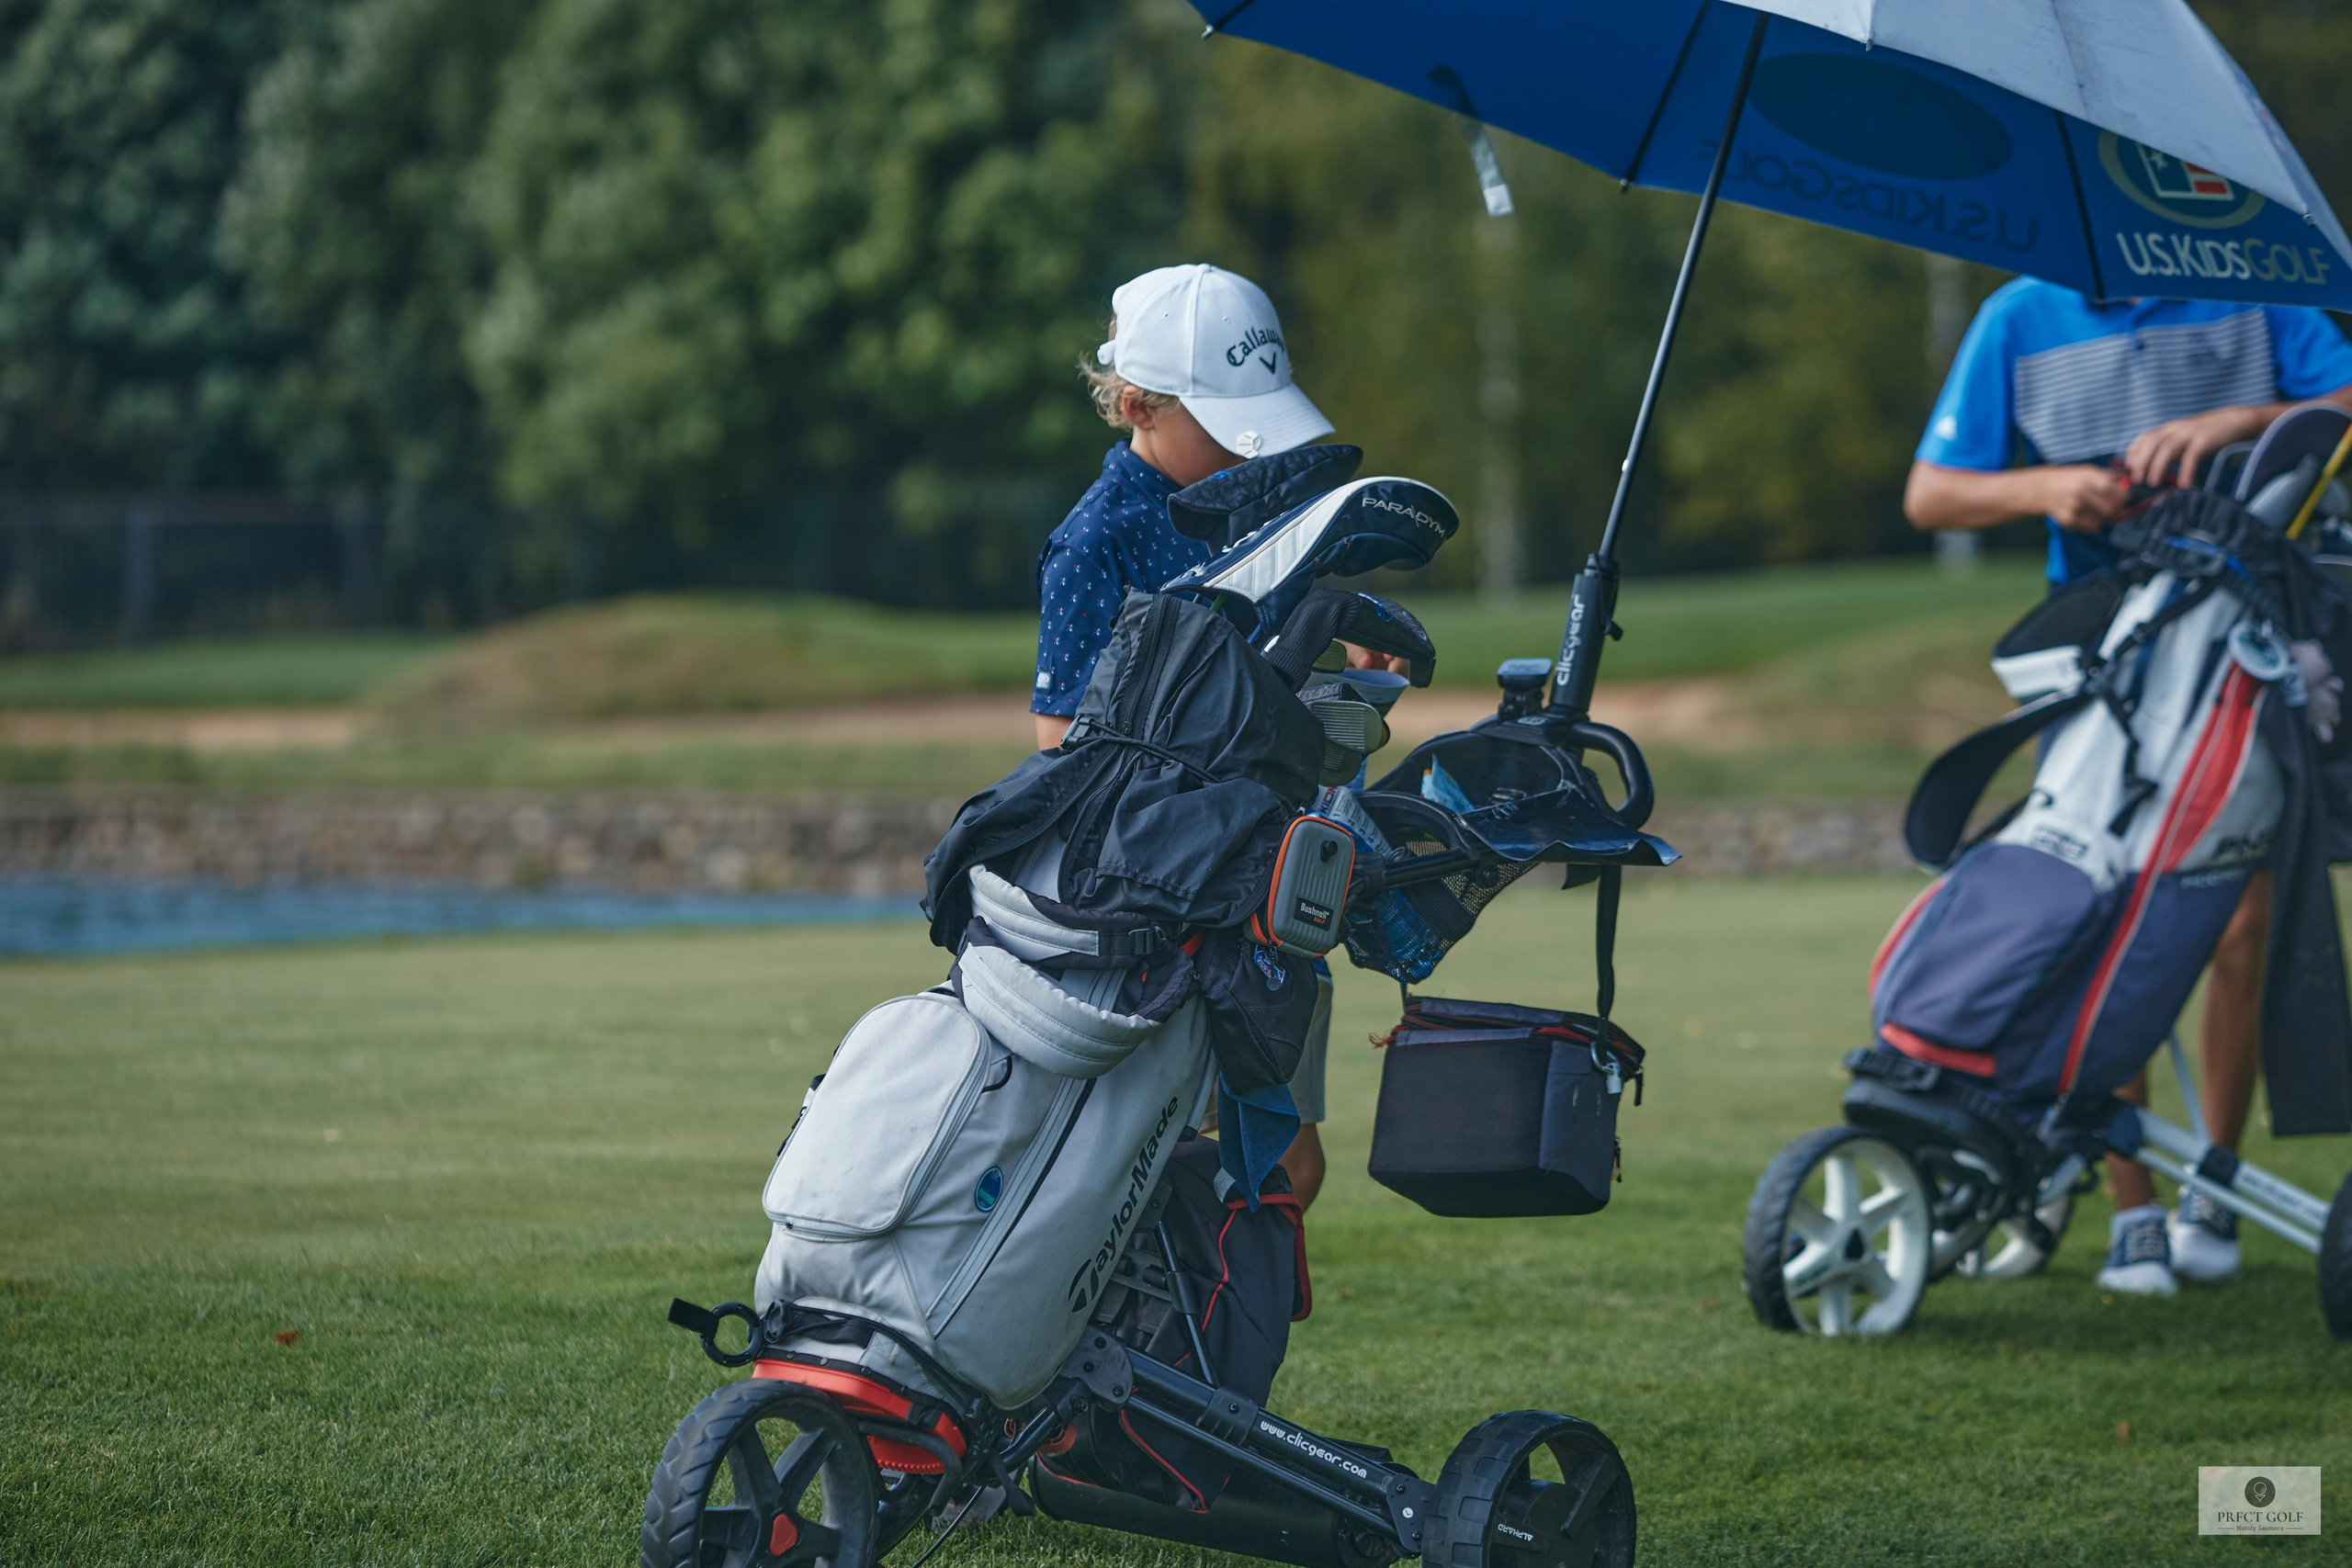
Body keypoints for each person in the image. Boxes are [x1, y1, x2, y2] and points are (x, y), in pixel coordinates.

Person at [1905, 278, 2352, 1294]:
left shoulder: (2253, 293)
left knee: (2239, 923)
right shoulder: (2019, 314)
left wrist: (2234, 420)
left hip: (2249, 649)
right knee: (2100, 916)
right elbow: (1931, 492)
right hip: (2097, 649)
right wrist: (2046, 489)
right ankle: (2134, 1210)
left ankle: (2212, 1183)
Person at [1032, 262, 1380, 1209]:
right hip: (1157, 901)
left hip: (1265, 879)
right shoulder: (1093, 543)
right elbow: (1062, 744)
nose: (1245, 450)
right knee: (1164, 1163)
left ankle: (1227, 1344)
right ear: (1138, 406)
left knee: (1290, 1167)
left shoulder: (1257, 503)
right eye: (1223, 425)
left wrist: (1344, 658)